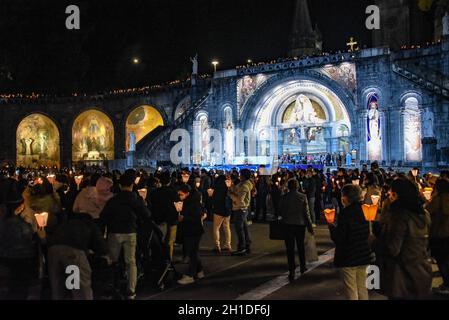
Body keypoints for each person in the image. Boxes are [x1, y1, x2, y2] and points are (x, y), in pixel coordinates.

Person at [376, 178, 432, 299]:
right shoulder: (424, 214)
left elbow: (392, 248)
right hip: (422, 271)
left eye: (391, 192)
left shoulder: (399, 216)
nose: (389, 195)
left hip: (402, 276)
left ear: (396, 194)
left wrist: (372, 241)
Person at [99, 170, 151, 299]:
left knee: (113, 261)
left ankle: (114, 286)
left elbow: (103, 217)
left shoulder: (113, 200)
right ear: (132, 185)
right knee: (131, 262)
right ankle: (131, 290)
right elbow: (147, 214)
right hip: (131, 231)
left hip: (114, 233)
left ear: (120, 185)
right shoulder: (135, 199)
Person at [47, 212, 109, 300]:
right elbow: (102, 247)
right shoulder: (89, 224)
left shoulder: (65, 224)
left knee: (58, 287)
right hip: (72, 253)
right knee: (79, 287)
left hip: (52, 251)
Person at [328, 184, 373, 300]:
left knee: (351, 289)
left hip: (349, 256)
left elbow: (339, 238)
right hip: (364, 254)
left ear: (345, 198)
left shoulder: (345, 213)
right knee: (362, 287)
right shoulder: (367, 209)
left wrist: (331, 226)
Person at [0, 179, 38, 300]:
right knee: (20, 286)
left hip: (6, 257)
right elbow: (30, 238)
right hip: (22, 258)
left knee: (11, 285)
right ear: (20, 206)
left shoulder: (4, 222)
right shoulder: (21, 224)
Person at [279, 179, 314, 281]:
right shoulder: (302, 197)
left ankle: (292, 270)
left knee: (290, 249)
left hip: (288, 224)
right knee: (300, 246)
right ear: (298, 186)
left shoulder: (284, 197)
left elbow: (280, 211)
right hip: (300, 224)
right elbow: (306, 213)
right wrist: (310, 226)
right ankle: (303, 266)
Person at [177, 184, 206, 285]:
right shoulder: (187, 202)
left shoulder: (193, 203)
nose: (180, 196)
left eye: (181, 194)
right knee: (193, 252)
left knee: (192, 253)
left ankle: (190, 275)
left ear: (187, 193)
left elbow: (197, 218)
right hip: (190, 230)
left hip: (194, 231)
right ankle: (199, 271)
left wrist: (184, 218)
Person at [425, 178, 449, 295]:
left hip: (439, 233)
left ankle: (446, 284)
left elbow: (427, 211)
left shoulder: (437, 199)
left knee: (442, 260)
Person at [148, 171, 179, 261]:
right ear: (169, 181)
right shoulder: (174, 192)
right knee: (170, 242)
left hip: (159, 220)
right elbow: (178, 205)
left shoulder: (155, 192)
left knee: (159, 241)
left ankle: (159, 260)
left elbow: (151, 205)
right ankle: (168, 260)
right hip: (172, 220)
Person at [228, 169, 253, 256]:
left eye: (240, 174)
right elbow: (235, 190)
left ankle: (242, 247)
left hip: (240, 209)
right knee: (244, 228)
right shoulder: (242, 184)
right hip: (241, 208)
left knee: (239, 229)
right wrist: (230, 186)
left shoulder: (244, 186)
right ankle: (247, 245)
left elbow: (239, 200)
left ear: (244, 176)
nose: (239, 176)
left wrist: (231, 195)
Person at [211, 175, 232, 254]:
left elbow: (214, 199)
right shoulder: (228, 189)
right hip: (227, 210)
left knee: (216, 228)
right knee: (227, 227)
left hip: (218, 210)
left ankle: (217, 246)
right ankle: (228, 245)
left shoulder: (217, 189)